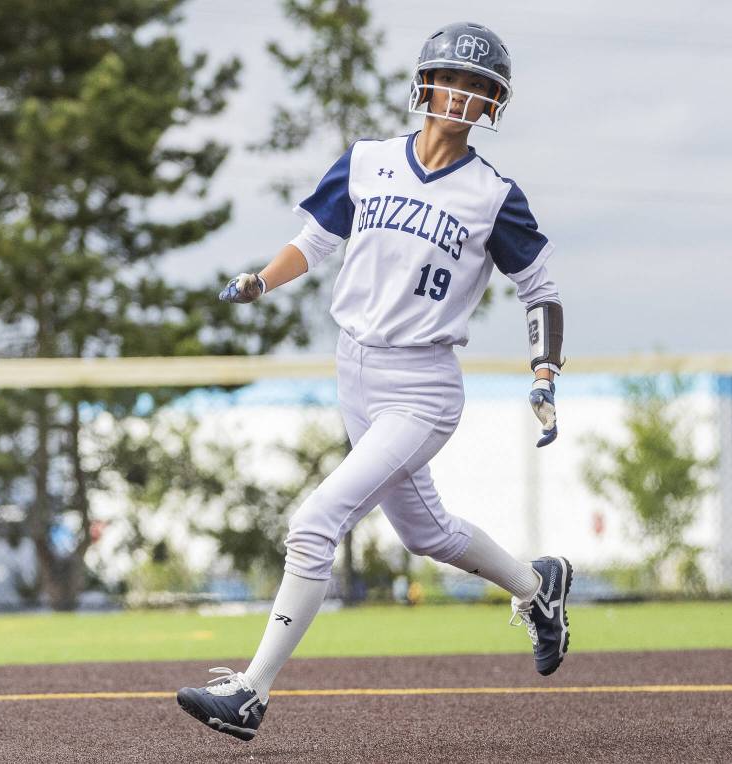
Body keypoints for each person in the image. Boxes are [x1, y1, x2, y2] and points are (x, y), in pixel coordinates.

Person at [177, 21, 569, 742]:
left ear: (492, 103)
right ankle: (538, 588)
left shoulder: (492, 194)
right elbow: (315, 242)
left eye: (478, 86)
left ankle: (251, 693)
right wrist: (263, 280)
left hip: (420, 388)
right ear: (426, 82)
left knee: (315, 520)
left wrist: (544, 372)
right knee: (429, 534)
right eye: (452, 78)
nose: (461, 94)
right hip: (353, 368)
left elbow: (540, 290)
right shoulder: (368, 161)